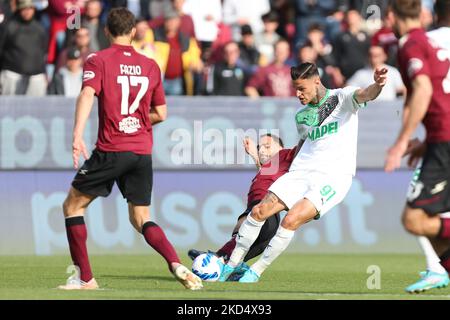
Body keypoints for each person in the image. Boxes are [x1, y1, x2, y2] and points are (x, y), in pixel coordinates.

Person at [57, 7, 202, 291]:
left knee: (72, 205)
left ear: (107, 31)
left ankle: (85, 279)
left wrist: (77, 134)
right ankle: (174, 262)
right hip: (141, 152)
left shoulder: (97, 59)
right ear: (134, 32)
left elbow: (87, 94)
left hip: (112, 148)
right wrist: (135, 121)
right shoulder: (150, 66)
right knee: (141, 218)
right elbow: (161, 113)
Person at [219, 62, 387, 283]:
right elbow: (303, 144)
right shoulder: (301, 115)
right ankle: (230, 267)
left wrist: (378, 84)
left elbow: (367, 94)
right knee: (259, 212)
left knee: (290, 220)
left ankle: (255, 272)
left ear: (316, 81)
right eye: (295, 89)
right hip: (302, 171)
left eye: (302, 89)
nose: (298, 94)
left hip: (333, 177)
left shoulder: (343, 98)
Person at [384, 0, 450, 293]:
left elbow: (422, 89)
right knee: (431, 223)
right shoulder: (432, 44)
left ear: (390, 16)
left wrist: (400, 143)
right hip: (440, 139)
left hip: (444, 142)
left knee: (414, 219)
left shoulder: (411, 44)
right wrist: (426, 141)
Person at [188, 134, 297, 279]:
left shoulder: (287, 154)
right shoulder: (271, 168)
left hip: (263, 207)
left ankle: (217, 257)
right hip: (270, 216)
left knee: (242, 229)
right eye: (260, 147)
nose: (262, 150)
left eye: (267, 146)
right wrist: (253, 154)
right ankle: (231, 266)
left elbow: (304, 146)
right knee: (249, 241)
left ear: (281, 148)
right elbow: (265, 169)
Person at [0, 0, 47, 96]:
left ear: (34, 9)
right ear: (19, 10)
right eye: (24, 9)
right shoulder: (9, 26)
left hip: (35, 77)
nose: (27, 12)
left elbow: (43, 51)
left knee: (36, 109)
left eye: (29, 8)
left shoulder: (40, 29)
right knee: (9, 108)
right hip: (12, 75)